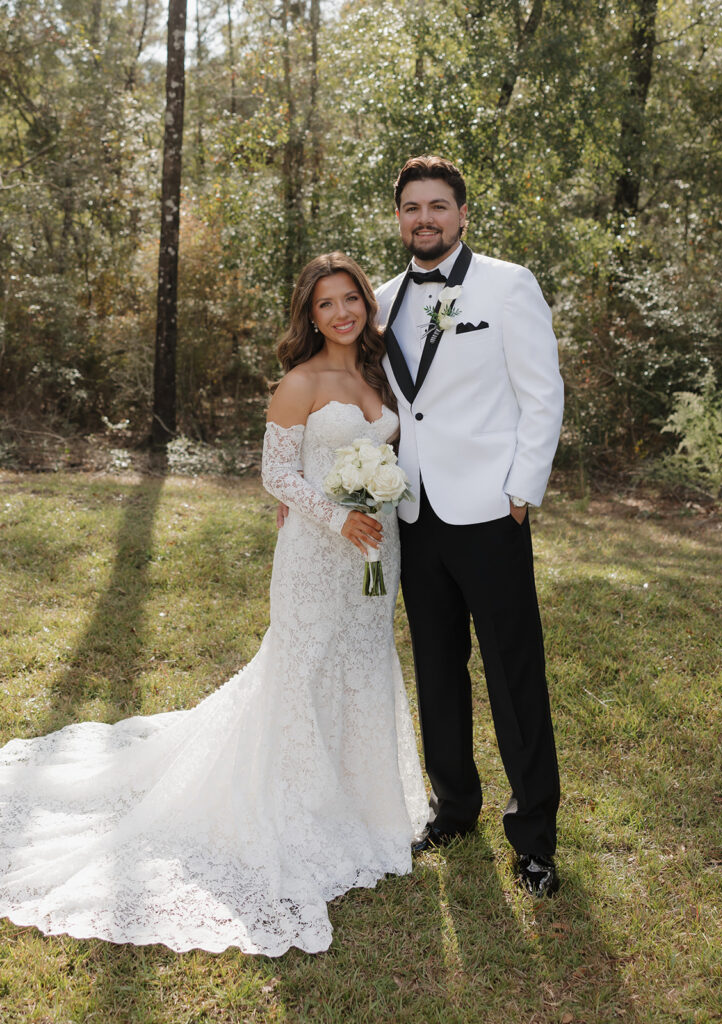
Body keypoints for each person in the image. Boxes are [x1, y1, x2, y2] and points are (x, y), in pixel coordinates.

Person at [0, 252, 428, 956]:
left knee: (359, 666)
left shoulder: (380, 374)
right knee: (301, 669)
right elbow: (275, 474)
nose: (342, 312)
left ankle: (360, 803)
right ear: (309, 315)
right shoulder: (299, 382)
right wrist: (336, 517)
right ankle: (299, 812)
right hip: (321, 553)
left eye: (351, 298)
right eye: (326, 304)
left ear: (365, 304)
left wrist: (373, 512)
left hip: (376, 557)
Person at [374, 155, 564, 896]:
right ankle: (454, 806)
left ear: (461, 214)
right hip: (415, 512)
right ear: (400, 218)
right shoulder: (384, 298)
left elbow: (541, 395)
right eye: (412, 207)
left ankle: (535, 839)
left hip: (490, 512)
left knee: (515, 675)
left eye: (438, 206)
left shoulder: (508, 285)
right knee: (437, 668)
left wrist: (522, 490)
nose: (425, 218)